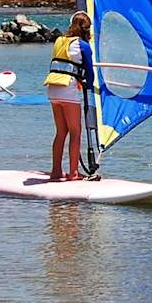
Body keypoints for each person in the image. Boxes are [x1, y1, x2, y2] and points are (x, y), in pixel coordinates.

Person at [44, 10, 95, 182]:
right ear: (86, 29)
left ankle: (56, 171)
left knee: (61, 132)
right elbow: (89, 71)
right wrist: (89, 84)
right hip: (68, 90)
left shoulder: (59, 40)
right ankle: (73, 173)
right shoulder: (83, 45)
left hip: (53, 89)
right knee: (75, 131)